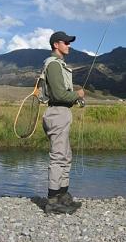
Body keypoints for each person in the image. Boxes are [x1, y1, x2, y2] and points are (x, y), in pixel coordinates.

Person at [42, 31, 85, 214]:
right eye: (66, 42)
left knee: (66, 156)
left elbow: (62, 93)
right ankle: (52, 201)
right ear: (55, 45)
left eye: (69, 42)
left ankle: (63, 195)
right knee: (58, 156)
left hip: (62, 112)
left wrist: (75, 99)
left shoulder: (60, 65)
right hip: (57, 113)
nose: (69, 45)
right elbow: (59, 95)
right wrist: (78, 95)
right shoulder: (52, 65)